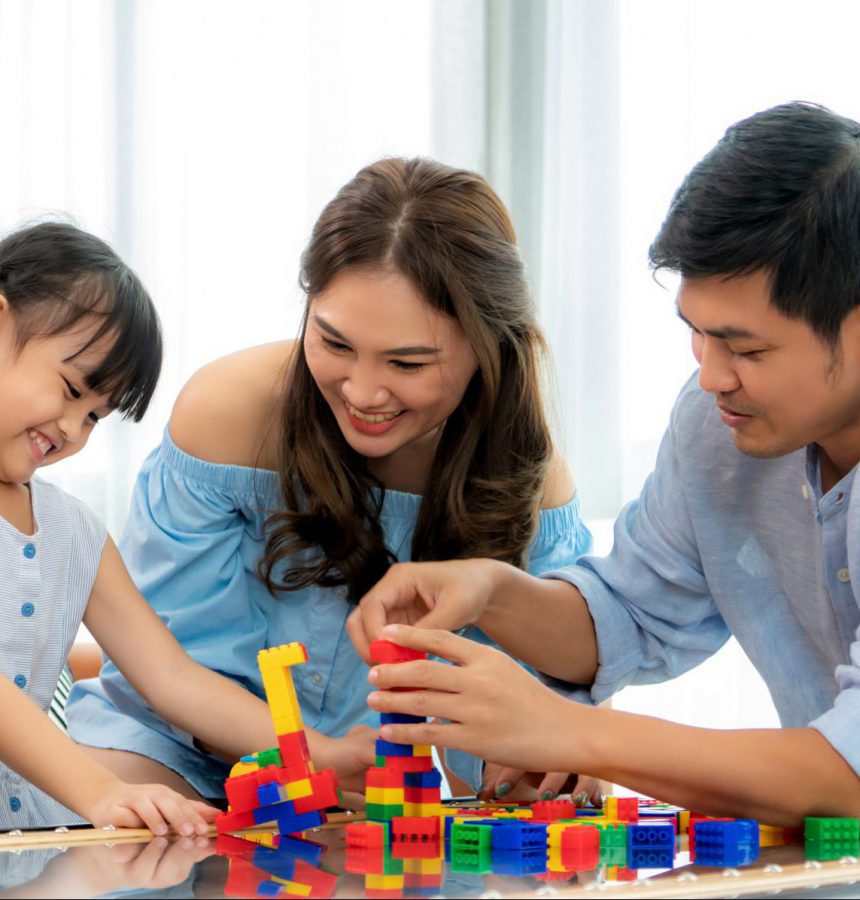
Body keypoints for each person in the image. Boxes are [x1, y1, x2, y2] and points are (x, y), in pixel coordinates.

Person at [348, 102, 860, 826]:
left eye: (746, 349)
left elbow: (849, 778)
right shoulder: (718, 428)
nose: (711, 375)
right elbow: (634, 613)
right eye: (697, 334)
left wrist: (570, 732)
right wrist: (494, 592)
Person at [66, 157, 595, 804]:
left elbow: (535, 710)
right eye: (335, 343)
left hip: (371, 787)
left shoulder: (533, 483)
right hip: (169, 746)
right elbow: (171, 674)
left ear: (489, 346)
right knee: (124, 850)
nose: (364, 392)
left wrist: (531, 762)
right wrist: (315, 760)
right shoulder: (228, 412)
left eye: (407, 361)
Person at [0, 221, 299, 832]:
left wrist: (315, 749)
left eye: (95, 417)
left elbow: (173, 678)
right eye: (70, 389)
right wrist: (101, 791)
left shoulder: (74, 532)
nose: (72, 429)